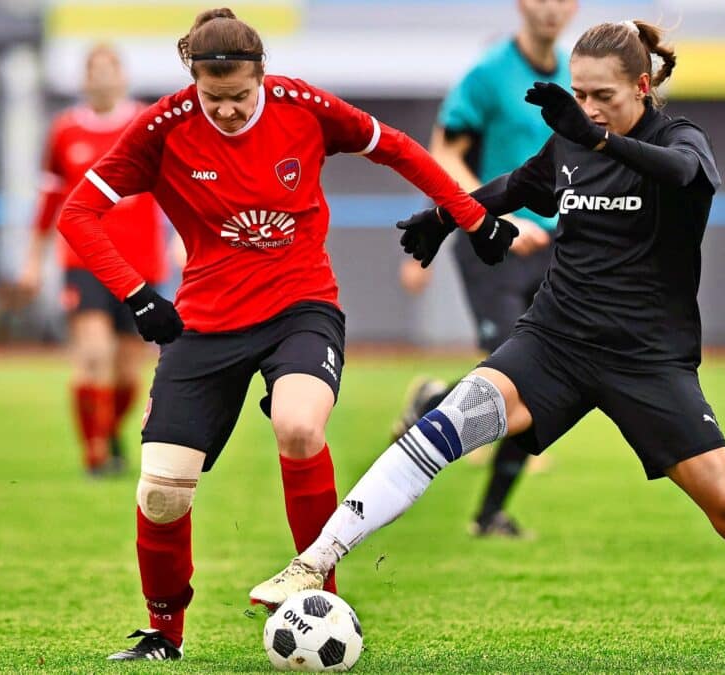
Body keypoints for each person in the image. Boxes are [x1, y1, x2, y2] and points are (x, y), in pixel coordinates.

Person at [251, 20, 725, 668]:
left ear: (641, 87)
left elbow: (687, 177)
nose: (586, 107)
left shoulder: (678, 140)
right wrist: (445, 217)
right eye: (577, 94)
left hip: (647, 360)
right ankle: (313, 561)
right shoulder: (571, 145)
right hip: (554, 341)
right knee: (441, 428)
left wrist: (600, 138)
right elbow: (513, 188)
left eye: (602, 95)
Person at [55, 8, 505, 662]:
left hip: (301, 307)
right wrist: (135, 292)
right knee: (159, 492)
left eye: (241, 96)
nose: (230, 110)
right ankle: (164, 631)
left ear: (262, 75)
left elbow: (402, 149)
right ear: (192, 82)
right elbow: (79, 212)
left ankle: (324, 593)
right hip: (204, 322)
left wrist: (472, 215)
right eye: (215, 99)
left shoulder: (303, 107)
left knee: (299, 426)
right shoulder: (161, 128)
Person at [395, 0, 577, 538]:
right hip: (492, 242)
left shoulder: (575, 72)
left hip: (555, 248)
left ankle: (489, 510)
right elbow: (442, 153)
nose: (552, 8)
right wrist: (494, 216)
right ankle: (481, 496)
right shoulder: (489, 74)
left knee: (545, 371)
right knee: (513, 365)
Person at [19, 44, 167, 475]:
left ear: (123, 77)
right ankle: (95, 453)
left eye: (110, 70)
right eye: (93, 71)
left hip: (140, 264)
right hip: (84, 261)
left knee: (125, 370)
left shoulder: (146, 125)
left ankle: (107, 430)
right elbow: (49, 200)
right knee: (94, 353)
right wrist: (33, 260)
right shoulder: (65, 131)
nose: (102, 78)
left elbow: (173, 187)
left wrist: (182, 238)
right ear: (84, 80)